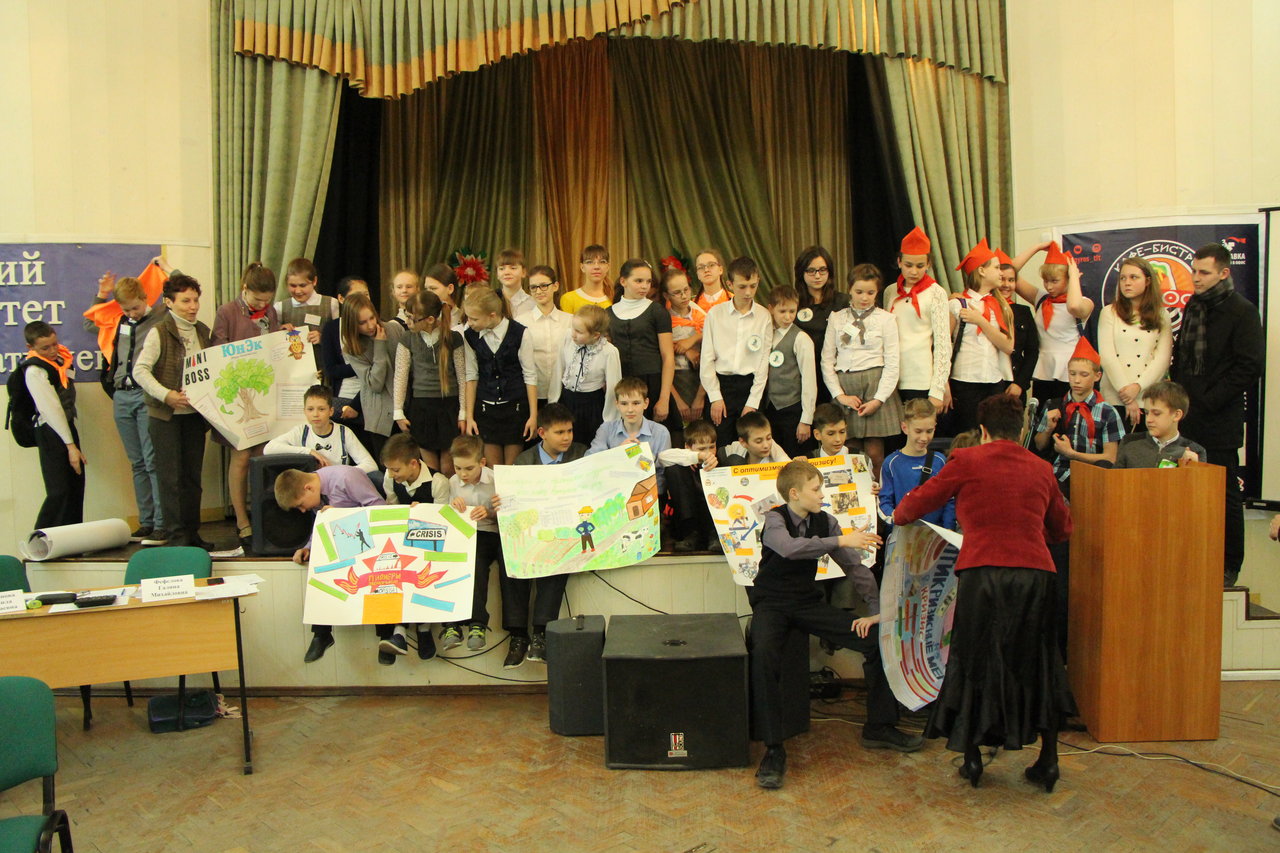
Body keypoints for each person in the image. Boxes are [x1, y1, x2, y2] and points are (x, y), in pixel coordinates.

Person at [895, 394, 1074, 791]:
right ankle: (1048, 760)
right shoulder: (1041, 468)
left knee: (975, 660)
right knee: (1040, 662)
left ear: (982, 431)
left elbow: (909, 510)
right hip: (1035, 575)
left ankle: (973, 757)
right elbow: (1063, 528)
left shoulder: (967, 461)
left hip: (983, 572)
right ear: (1021, 430)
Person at [750, 459, 918, 789]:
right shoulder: (774, 519)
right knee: (764, 654)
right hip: (772, 603)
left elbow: (855, 569)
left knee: (877, 640)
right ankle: (773, 749)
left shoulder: (826, 521)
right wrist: (841, 541)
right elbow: (789, 549)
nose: (822, 495)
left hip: (806, 603)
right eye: (816, 489)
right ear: (794, 493)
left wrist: (876, 612)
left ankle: (879, 727)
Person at [1169, 243, 1264, 587]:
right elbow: (1182, 358)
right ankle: (1191, 558)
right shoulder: (1193, 306)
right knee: (1186, 494)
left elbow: (1249, 367)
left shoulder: (1242, 311)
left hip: (1219, 419)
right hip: (1187, 416)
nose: (1196, 278)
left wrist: (1209, 400)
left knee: (1225, 494)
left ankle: (1229, 565)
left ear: (1224, 273)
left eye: (1204, 272)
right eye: (1194, 271)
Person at [491, 403, 586, 668]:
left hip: (565, 530)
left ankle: (541, 633)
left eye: (569, 431)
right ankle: (518, 634)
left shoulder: (581, 454)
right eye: (560, 432)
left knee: (559, 551)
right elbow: (514, 505)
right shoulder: (524, 461)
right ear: (542, 433)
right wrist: (501, 503)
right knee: (508, 551)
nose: (567, 437)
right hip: (531, 530)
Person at [275, 464, 393, 664]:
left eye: (301, 505)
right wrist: (308, 547)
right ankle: (321, 634)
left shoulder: (346, 477)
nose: (303, 510)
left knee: (378, 576)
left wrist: (341, 515)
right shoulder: (316, 495)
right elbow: (321, 524)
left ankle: (386, 636)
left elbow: (380, 509)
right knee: (319, 566)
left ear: (308, 488)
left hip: (372, 543)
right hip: (345, 546)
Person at [84, 269, 168, 542]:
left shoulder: (159, 317)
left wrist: (167, 268)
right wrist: (102, 294)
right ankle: (145, 521)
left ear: (145, 299)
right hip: (121, 395)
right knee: (137, 462)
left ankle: (161, 522)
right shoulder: (118, 321)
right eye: (126, 309)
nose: (131, 313)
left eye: (135, 307)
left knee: (152, 460)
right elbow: (89, 324)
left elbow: (180, 296)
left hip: (145, 394)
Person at [133, 273, 213, 550]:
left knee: (192, 478)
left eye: (195, 300)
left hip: (194, 416)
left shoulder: (202, 331)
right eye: (185, 301)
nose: (193, 306)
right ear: (169, 302)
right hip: (165, 417)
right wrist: (167, 395)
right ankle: (177, 537)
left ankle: (192, 534)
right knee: (170, 479)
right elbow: (140, 371)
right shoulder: (159, 332)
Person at [213, 262, 283, 550]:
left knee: (262, 455)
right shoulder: (227, 312)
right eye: (257, 299)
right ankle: (242, 520)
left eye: (267, 300)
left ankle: (262, 515)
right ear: (245, 289)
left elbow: (275, 348)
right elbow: (217, 352)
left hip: (264, 392)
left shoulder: (271, 313)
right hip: (237, 394)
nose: (262, 305)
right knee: (241, 457)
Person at [822, 263, 902, 476]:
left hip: (875, 387)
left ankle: (878, 492)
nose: (864, 298)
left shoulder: (886, 319)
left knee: (875, 454)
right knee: (850, 451)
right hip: (846, 388)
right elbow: (827, 361)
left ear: (877, 292)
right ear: (849, 289)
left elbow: (892, 362)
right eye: (859, 292)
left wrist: (879, 399)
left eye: (870, 292)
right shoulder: (837, 318)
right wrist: (840, 396)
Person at [1033, 337, 1125, 494]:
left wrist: (1072, 454)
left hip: (1093, 476)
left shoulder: (1107, 412)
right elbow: (1039, 446)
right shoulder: (1054, 405)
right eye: (1072, 374)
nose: (1076, 380)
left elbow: (1110, 458)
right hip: (1058, 474)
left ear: (1097, 376)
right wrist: (1048, 429)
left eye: (1084, 375)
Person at [1009, 241, 1094, 404]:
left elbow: (1073, 306)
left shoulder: (1085, 302)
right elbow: (1009, 271)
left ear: (1068, 278)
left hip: (1070, 372)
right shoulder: (1041, 299)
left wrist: (1073, 277)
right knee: (1041, 417)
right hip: (1043, 370)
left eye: (1054, 281)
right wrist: (1036, 247)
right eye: (1045, 281)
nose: (1048, 286)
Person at [700, 256, 772, 447]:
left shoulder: (764, 316)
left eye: (753, 286)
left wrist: (753, 402)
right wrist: (715, 397)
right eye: (742, 287)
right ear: (730, 284)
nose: (748, 292)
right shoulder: (715, 314)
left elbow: (763, 363)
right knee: (721, 446)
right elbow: (706, 359)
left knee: (752, 448)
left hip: (751, 386)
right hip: (721, 386)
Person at [461, 287, 538, 465]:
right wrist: (469, 416)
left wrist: (533, 416)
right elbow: (471, 376)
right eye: (468, 318)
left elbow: (530, 376)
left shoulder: (520, 333)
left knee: (511, 469)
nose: (469, 323)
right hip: (486, 410)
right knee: (493, 468)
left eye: (474, 319)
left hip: (515, 408)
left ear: (492, 315)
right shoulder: (470, 336)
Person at [20, 322, 85, 530]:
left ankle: (71, 538)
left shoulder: (61, 361)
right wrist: (70, 446)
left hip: (66, 426)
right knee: (59, 491)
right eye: (45, 348)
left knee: (75, 487)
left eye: (55, 344)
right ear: (30, 347)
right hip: (50, 431)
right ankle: (40, 539)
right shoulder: (34, 371)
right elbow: (52, 410)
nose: (52, 350)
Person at [392, 290, 466, 476]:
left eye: (412, 318)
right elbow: (400, 375)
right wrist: (398, 411)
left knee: (448, 468)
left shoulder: (453, 338)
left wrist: (463, 412)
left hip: (449, 407)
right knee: (431, 470)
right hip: (421, 407)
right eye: (407, 316)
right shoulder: (407, 339)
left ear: (430, 319)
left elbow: (462, 377)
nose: (408, 322)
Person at [946, 240, 1014, 435]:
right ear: (982, 271)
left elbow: (1008, 346)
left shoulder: (1001, 306)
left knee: (993, 434)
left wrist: (980, 321)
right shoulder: (957, 304)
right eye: (997, 267)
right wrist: (944, 385)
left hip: (994, 380)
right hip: (965, 380)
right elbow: (943, 346)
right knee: (969, 435)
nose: (1001, 273)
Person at [1097, 255, 1172, 429]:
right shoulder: (1109, 313)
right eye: (1123, 278)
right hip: (1115, 396)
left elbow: (1162, 359)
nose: (1127, 283)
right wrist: (1126, 395)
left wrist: (1138, 387)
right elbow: (1107, 357)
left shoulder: (1162, 316)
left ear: (1147, 281)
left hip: (1148, 397)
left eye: (1133, 277)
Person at [442, 435, 499, 652]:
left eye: (469, 468)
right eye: (458, 468)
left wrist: (490, 513)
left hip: (488, 533)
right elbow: (444, 515)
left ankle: (477, 623)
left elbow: (509, 516)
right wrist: (452, 507)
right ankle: (451, 624)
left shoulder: (495, 480)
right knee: (445, 560)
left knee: (476, 562)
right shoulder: (452, 483)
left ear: (482, 463)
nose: (463, 474)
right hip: (461, 534)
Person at [884, 228, 951, 411]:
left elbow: (943, 343)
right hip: (892, 378)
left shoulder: (936, 293)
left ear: (928, 264)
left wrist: (938, 389)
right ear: (899, 262)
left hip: (921, 378)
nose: (914, 271)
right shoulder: (890, 291)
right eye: (908, 265)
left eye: (920, 266)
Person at [333, 292, 403, 461]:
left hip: (404, 406)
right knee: (388, 465)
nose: (371, 325)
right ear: (352, 324)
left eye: (372, 318)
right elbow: (375, 383)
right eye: (362, 323)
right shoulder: (352, 349)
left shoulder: (393, 329)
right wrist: (379, 345)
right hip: (380, 415)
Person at [608, 259, 675, 429]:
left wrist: (664, 398)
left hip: (653, 385)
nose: (645, 286)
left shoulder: (657, 311)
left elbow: (668, 356)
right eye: (638, 281)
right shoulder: (608, 313)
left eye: (648, 281)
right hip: (622, 386)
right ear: (623, 281)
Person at [586, 376, 672, 495]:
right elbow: (590, 462)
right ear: (617, 404)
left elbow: (663, 476)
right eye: (624, 404)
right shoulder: (606, 429)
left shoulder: (661, 432)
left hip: (648, 495)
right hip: (612, 493)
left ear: (646, 403)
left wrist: (640, 458)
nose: (630, 409)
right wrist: (618, 453)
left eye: (636, 403)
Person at [878, 397, 955, 530]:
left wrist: (948, 529)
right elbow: (884, 501)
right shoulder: (891, 463)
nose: (924, 438)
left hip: (936, 535)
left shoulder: (940, 460)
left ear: (935, 427)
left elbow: (949, 499)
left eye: (929, 431)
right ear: (905, 427)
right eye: (918, 431)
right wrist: (895, 519)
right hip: (902, 533)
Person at [265, 384, 377, 474]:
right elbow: (269, 449)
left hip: (338, 485)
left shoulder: (344, 432)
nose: (315, 414)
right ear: (304, 411)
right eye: (310, 409)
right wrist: (309, 451)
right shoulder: (301, 431)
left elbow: (371, 465)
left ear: (331, 411)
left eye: (321, 409)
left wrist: (340, 472)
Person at [548, 305, 620, 442]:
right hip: (566, 401)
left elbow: (613, 388)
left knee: (588, 443)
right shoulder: (567, 338)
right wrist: (553, 401)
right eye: (573, 328)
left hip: (591, 405)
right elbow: (558, 369)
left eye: (579, 332)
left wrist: (610, 420)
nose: (573, 334)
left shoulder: (609, 352)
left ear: (596, 335)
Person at [764, 285, 816, 459]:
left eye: (792, 311)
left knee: (795, 459)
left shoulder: (801, 338)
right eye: (782, 311)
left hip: (793, 409)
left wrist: (806, 420)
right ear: (771, 309)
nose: (788, 317)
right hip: (769, 408)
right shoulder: (766, 334)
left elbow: (809, 381)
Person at [793, 246, 850, 401]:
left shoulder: (843, 302)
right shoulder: (794, 303)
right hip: (803, 374)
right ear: (801, 273)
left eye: (822, 270)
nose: (817, 276)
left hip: (835, 374)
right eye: (811, 271)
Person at [515, 264, 572, 413]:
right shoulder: (520, 322)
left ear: (555, 286)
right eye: (533, 287)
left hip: (564, 392)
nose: (539, 291)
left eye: (544, 286)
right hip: (533, 394)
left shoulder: (570, 321)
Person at [657, 419, 719, 552]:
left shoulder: (721, 459)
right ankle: (690, 534)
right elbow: (662, 457)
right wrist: (697, 456)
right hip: (688, 520)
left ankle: (715, 535)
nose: (708, 453)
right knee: (674, 469)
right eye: (702, 449)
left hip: (714, 521)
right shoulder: (684, 460)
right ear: (687, 447)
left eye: (712, 447)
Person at [1114, 381, 1205, 468]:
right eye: (1146, 413)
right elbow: (1115, 478)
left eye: (1156, 414)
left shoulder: (1195, 451)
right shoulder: (1129, 442)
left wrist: (1193, 468)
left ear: (1177, 415)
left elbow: (1199, 479)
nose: (1149, 419)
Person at [661, 266, 706, 431]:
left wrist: (694, 338)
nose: (684, 295)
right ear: (666, 295)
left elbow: (713, 340)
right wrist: (686, 350)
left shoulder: (700, 315)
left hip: (701, 379)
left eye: (686, 290)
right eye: (677, 292)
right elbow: (661, 350)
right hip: (675, 379)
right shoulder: (663, 318)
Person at [994, 249, 1038, 408]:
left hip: (1014, 384)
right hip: (987, 383)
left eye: (1011, 280)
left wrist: (1020, 384)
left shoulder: (1023, 312)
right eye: (1002, 279)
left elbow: (1032, 351)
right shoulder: (980, 308)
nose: (1006, 285)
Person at [275, 258, 336, 351]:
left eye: (303, 285)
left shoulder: (331, 304)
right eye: (293, 285)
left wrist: (323, 338)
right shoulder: (280, 307)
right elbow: (273, 343)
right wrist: (280, 331)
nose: (298, 291)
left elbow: (341, 339)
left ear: (314, 281)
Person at [318, 277, 368, 387]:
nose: (363, 300)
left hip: (372, 389)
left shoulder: (377, 325)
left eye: (366, 295)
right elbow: (331, 370)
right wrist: (363, 366)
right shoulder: (331, 328)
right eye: (357, 295)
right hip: (345, 391)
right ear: (341, 298)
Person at [720, 410, 791, 466]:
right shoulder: (737, 448)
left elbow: (788, 466)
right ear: (743, 442)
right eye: (759, 441)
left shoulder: (776, 458)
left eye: (769, 438)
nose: (766, 445)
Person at [559, 245, 612, 314]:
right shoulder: (569, 299)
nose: (596, 267)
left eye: (602, 262)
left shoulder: (615, 298)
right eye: (589, 262)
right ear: (582, 267)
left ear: (608, 267)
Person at [494, 248, 534, 317]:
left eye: (513, 268)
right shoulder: (489, 301)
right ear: (497, 274)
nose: (506, 272)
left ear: (523, 272)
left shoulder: (533, 304)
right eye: (501, 269)